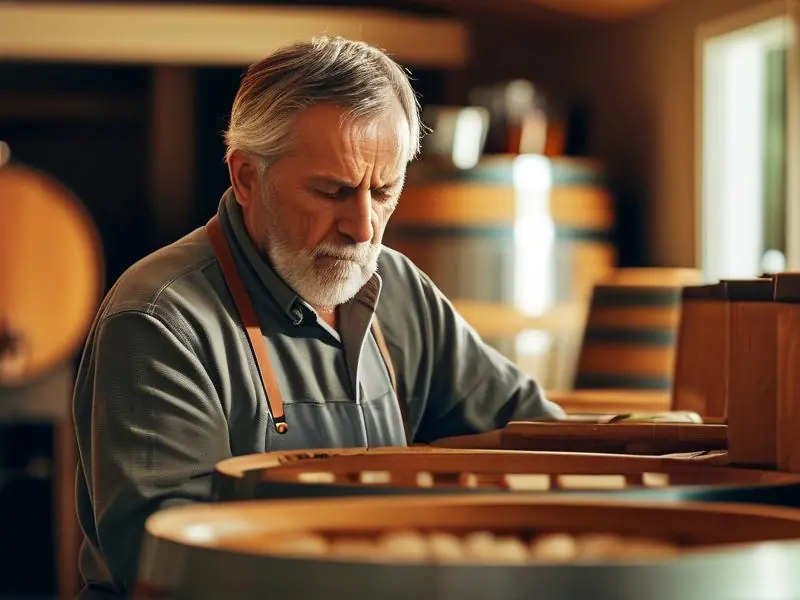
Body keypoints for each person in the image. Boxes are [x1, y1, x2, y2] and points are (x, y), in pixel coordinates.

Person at [72, 36, 565, 598]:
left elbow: (533, 436)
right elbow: (166, 562)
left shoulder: (399, 288)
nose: (362, 227)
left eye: (383, 191)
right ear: (247, 178)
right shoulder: (161, 321)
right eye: (332, 192)